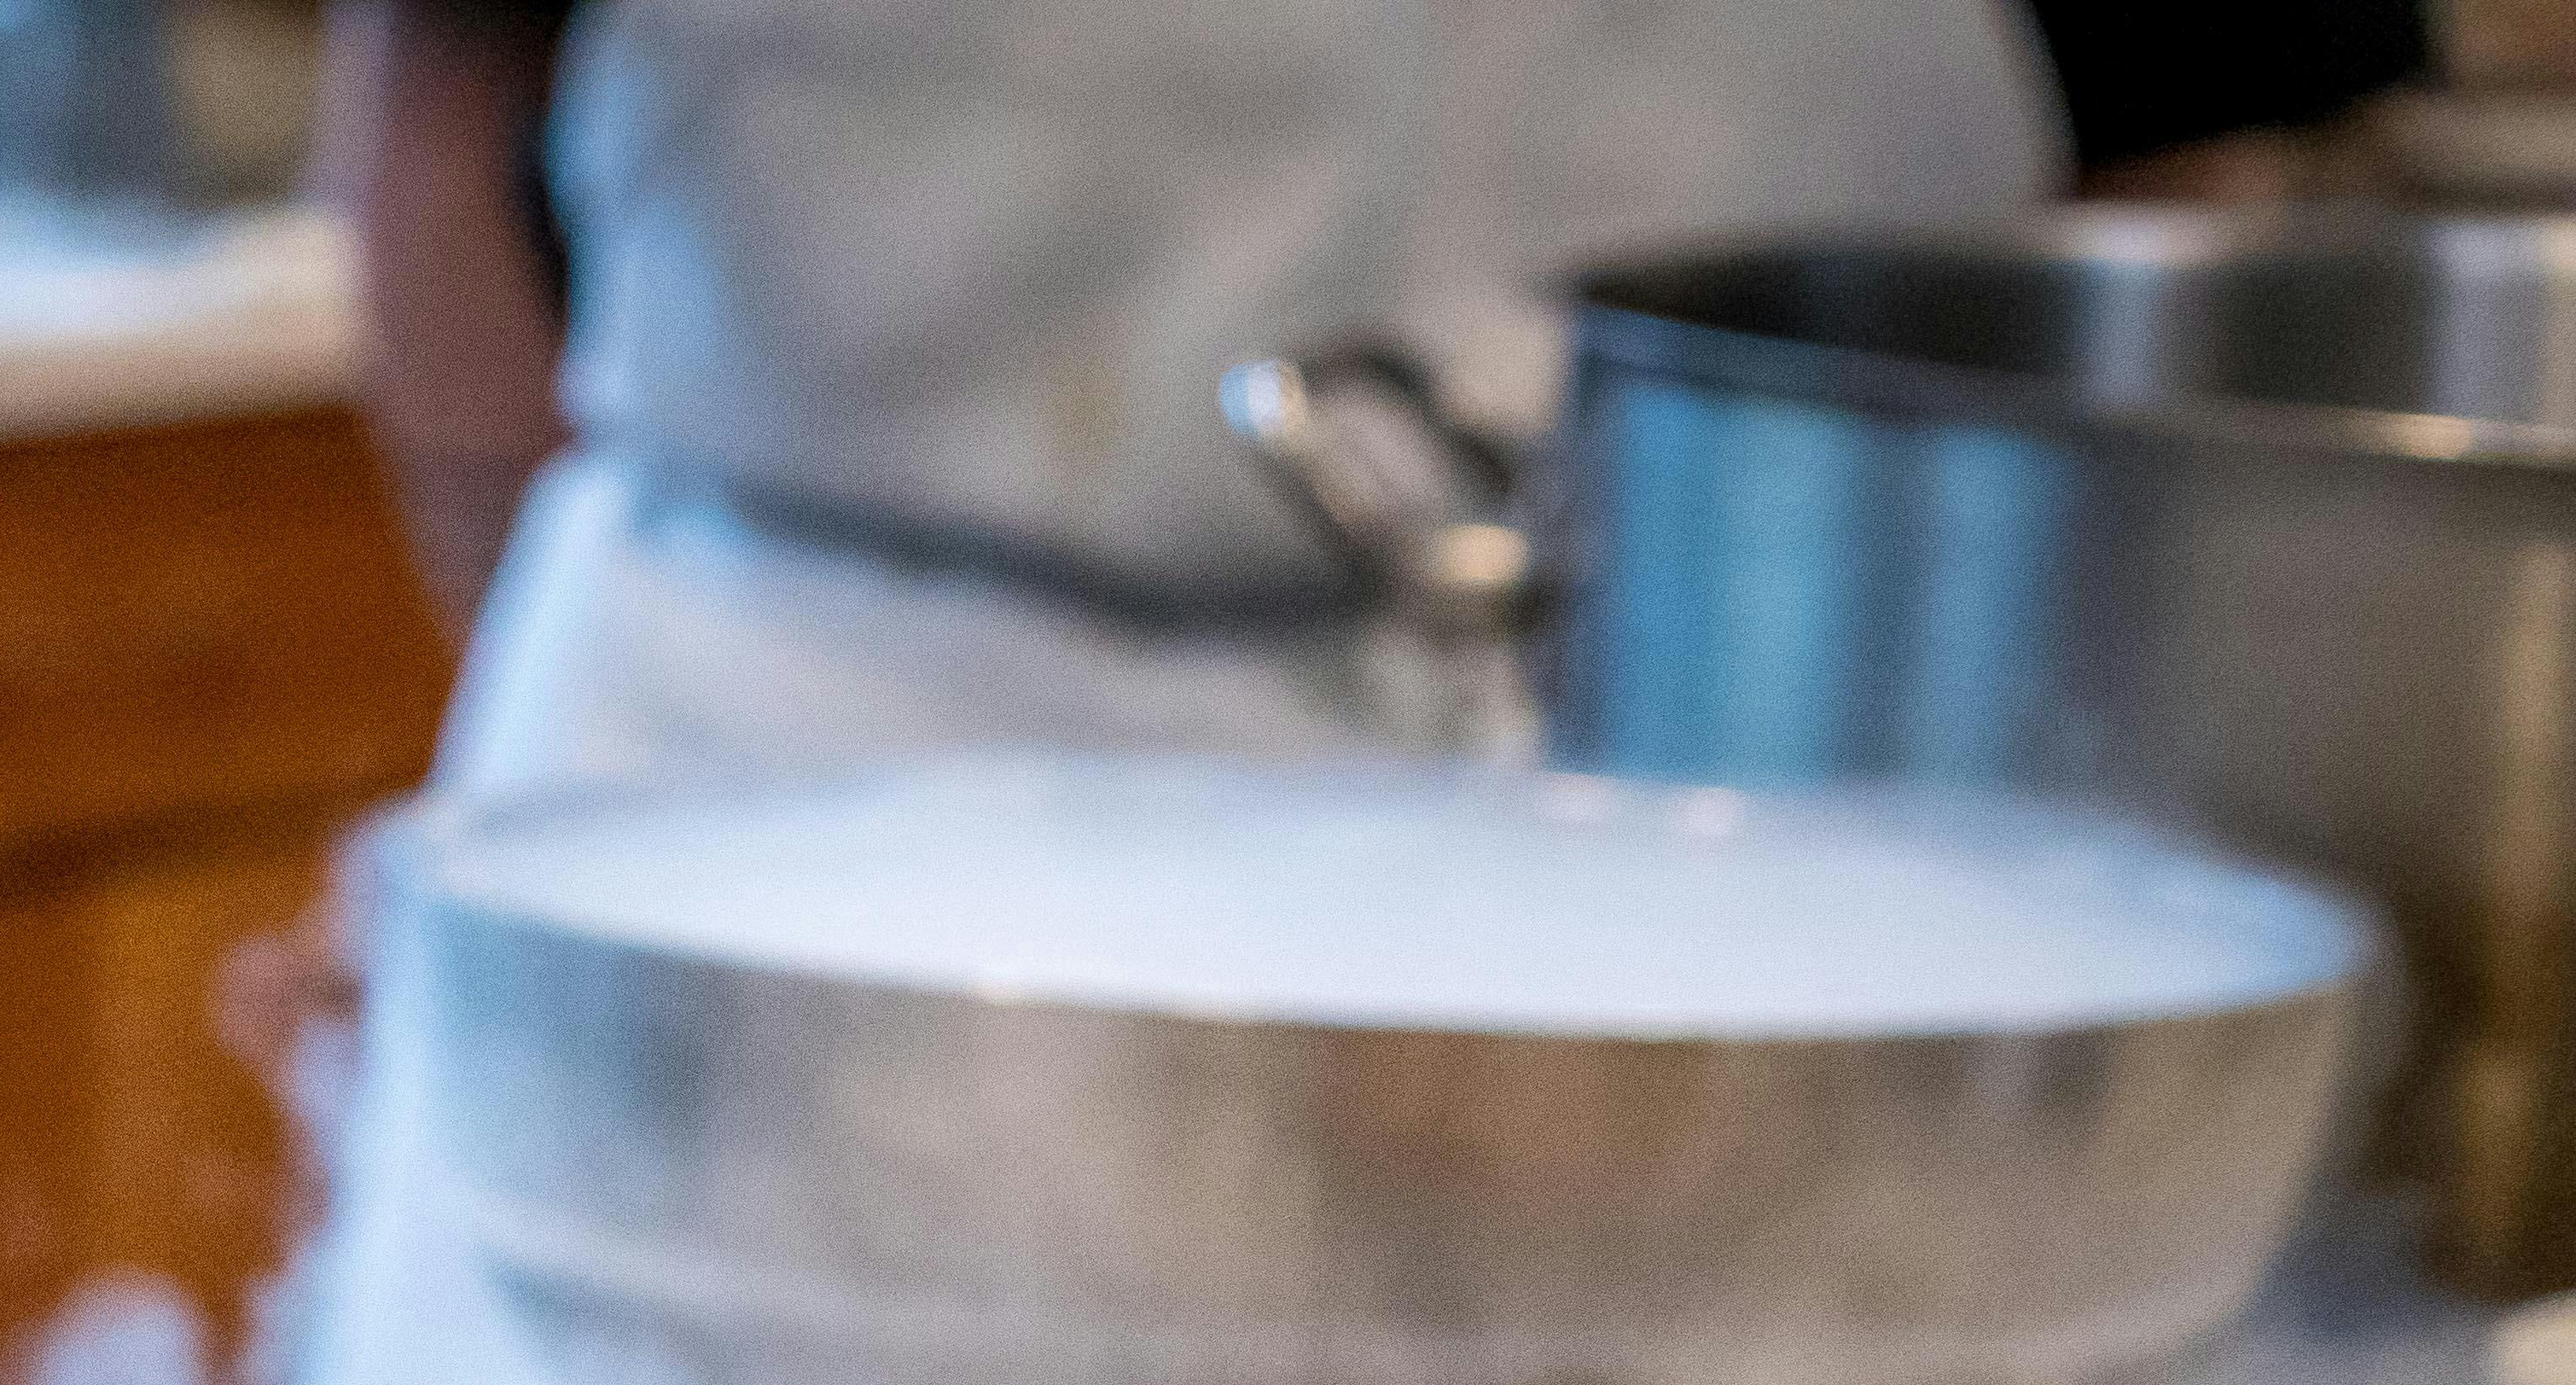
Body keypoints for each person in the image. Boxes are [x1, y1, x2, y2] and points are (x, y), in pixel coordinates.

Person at [343, 0, 2445, 795]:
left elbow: (2162, 229)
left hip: (1718, 828)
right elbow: (433, 125)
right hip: (777, 755)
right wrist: (503, 878)